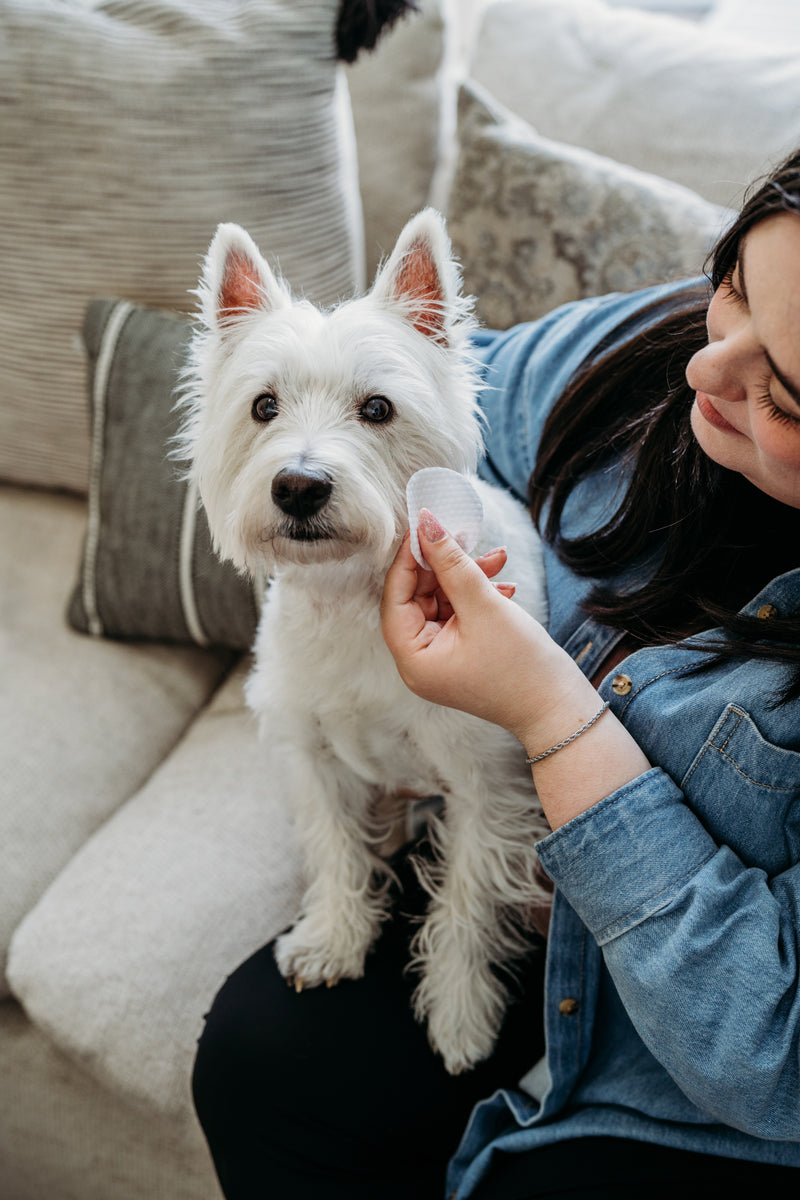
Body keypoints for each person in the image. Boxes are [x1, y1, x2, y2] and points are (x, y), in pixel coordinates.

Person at [191, 151, 800, 1199]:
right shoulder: (645, 349)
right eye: (731, 285)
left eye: (782, 392)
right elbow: (465, 392)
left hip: (680, 1035)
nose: (702, 369)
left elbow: (769, 1054)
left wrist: (546, 711)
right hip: (446, 788)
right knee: (258, 1062)